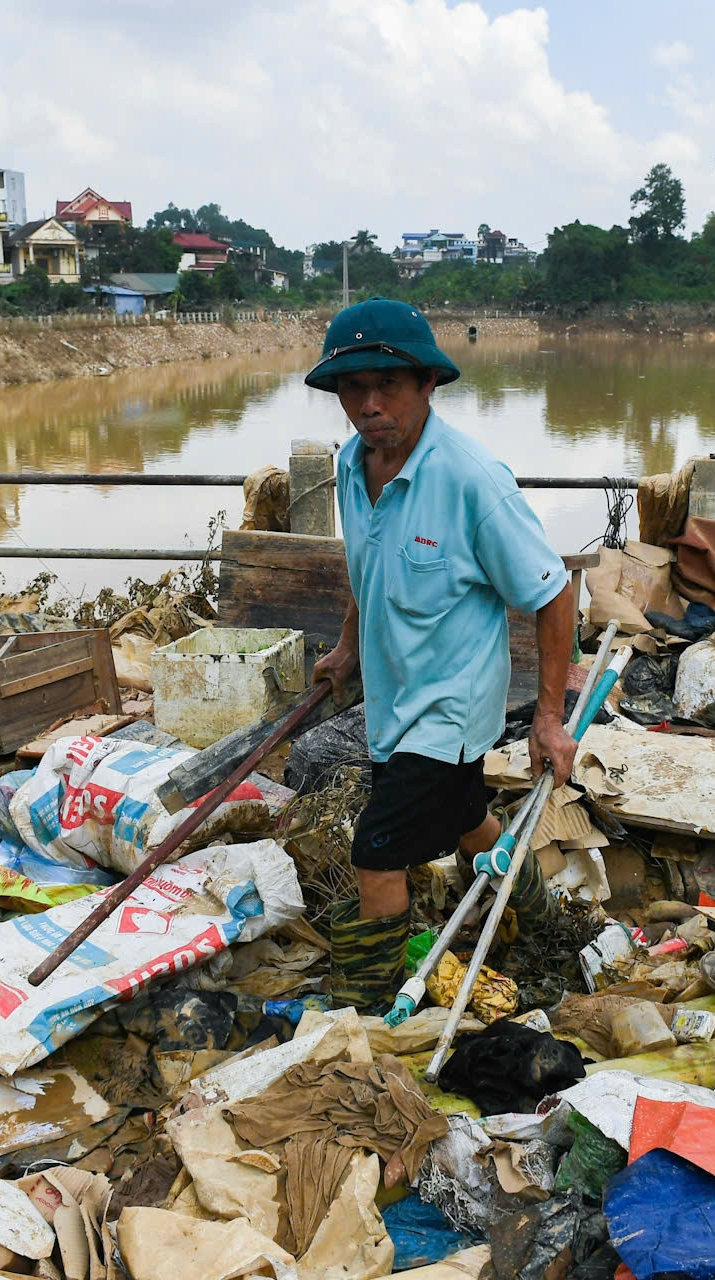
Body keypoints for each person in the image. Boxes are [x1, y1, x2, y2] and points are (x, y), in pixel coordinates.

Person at [305, 298, 578, 1010]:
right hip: (392, 699)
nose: (370, 404)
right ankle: (537, 920)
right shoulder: (349, 465)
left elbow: (552, 593)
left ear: (428, 384)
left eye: (388, 384)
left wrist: (549, 720)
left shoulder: (470, 481)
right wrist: (345, 648)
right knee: (463, 813)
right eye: (353, 387)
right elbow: (369, 564)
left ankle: (367, 1008)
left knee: (377, 850)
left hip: (450, 705)